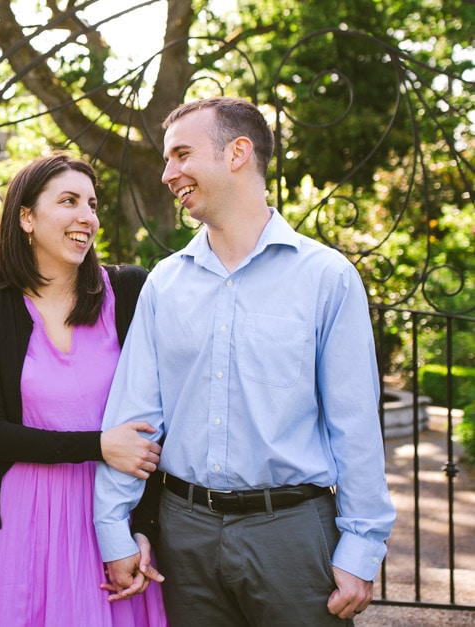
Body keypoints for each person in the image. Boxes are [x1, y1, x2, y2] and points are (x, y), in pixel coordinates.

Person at [94, 97, 397, 625]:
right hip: (183, 536)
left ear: (237, 153)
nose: (169, 173)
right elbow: (134, 418)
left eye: (181, 154)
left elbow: (355, 426)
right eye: (167, 159)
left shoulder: (326, 277)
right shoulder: (164, 283)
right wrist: (114, 525)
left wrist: (361, 547)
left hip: (293, 535)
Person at [0, 152, 168, 626]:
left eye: (91, 204)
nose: (86, 217)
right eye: (68, 201)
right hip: (23, 520)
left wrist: (144, 526)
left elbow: (158, 421)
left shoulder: (130, 291)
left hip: (112, 513)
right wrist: (99, 445)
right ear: (26, 217)